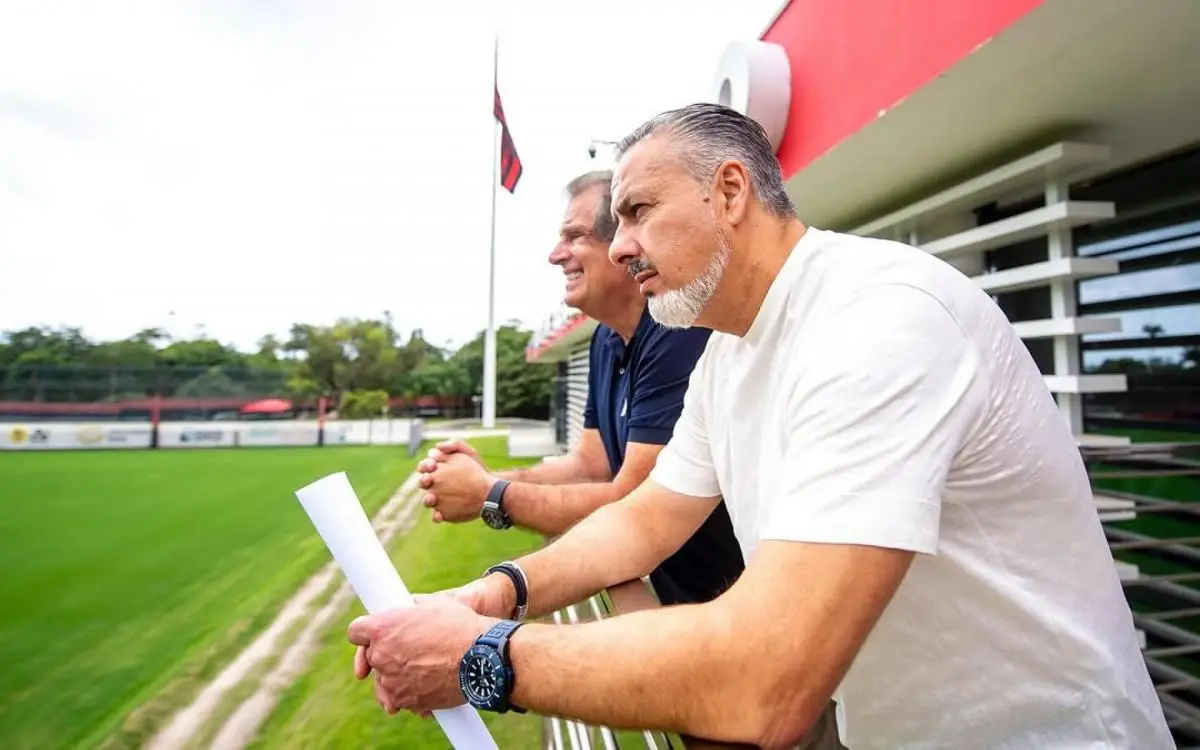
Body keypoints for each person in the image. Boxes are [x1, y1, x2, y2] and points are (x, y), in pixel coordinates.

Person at [346, 104, 1173, 749]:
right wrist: (492, 594)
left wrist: (479, 657)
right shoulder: (730, 353)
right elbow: (643, 522)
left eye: (636, 211)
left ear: (731, 192)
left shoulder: (880, 318)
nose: (621, 245)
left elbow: (764, 683)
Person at [416, 169, 745, 607]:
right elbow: (591, 465)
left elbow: (632, 498)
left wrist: (489, 496)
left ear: (624, 246)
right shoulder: (605, 339)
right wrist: (487, 479)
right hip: (679, 599)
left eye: (575, 236)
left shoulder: (677, 333)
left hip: (734, 606)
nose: (556, 255)